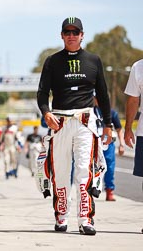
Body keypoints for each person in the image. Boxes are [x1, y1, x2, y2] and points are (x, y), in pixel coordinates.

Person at [37, 17, 112, 236]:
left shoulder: (94, 60)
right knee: (60, 172)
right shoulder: (52, 61)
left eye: (75, 32)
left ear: (82, 35)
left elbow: (104, 95)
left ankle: (85, 219)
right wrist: (46, 112)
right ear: (61, 35)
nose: (71, 35)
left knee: (83, 170)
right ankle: (61, 215)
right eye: (67, 32)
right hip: (59, 122)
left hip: (85, 122)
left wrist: (108, 124)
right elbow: (42, 92)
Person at [124, 58, 143, 234]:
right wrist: (128, 127)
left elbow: (132, 101)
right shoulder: (139, 67)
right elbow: (132, 100)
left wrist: (128, 128)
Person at [93, 97, 125, 201]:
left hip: (108, 144)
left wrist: (122, 144)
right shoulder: (91, 112)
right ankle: (90, 190)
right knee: (91, 167)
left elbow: (119, 129)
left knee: (109, 168)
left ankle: (109, 191)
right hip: (94, 143)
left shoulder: (112, 113)